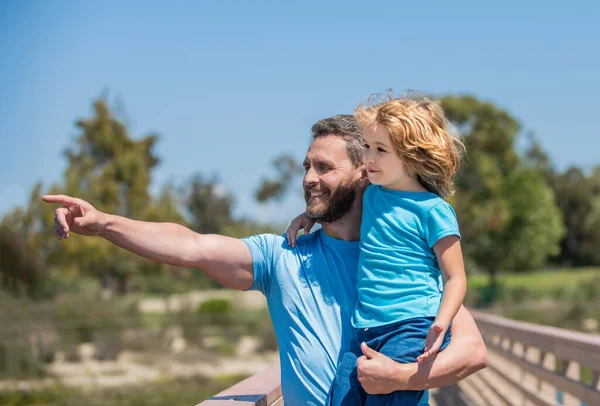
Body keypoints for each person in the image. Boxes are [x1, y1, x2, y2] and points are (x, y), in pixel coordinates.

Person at [43, 114, 487, 406]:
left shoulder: (403, 262)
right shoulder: (283, 254)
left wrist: (400, 377)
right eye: (306, 167)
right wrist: (104, 224)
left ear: (365, 173)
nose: (309, 179)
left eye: (324, 169)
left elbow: (472, 351)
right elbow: (193, 246)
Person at [286, 97, 467, 405]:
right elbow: (336, 199)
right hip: (366, 327)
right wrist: (311, 214)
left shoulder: (434, 211)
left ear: (413, 156)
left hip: (412, 325)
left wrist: (441, 322)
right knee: (342, 396)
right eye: (368, 147)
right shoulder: (373, 194)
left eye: (380, 150)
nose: (368, 158)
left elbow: (456, 277)